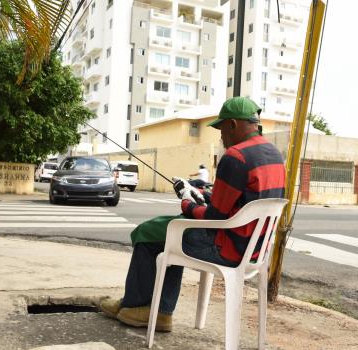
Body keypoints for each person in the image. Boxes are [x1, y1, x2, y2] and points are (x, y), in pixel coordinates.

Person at [99, 96, 286, 332]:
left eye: (221, 129)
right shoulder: (274, 155)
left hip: (226, 247)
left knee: (149, 232)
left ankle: (137, 306)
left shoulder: (236, 156)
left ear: (233, 125)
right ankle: (161, 311)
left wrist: (187, 204)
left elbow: (215, 220)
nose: (221, 137)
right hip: (254, 250)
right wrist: (200, 193)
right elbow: (239, 203)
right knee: (169, 235)